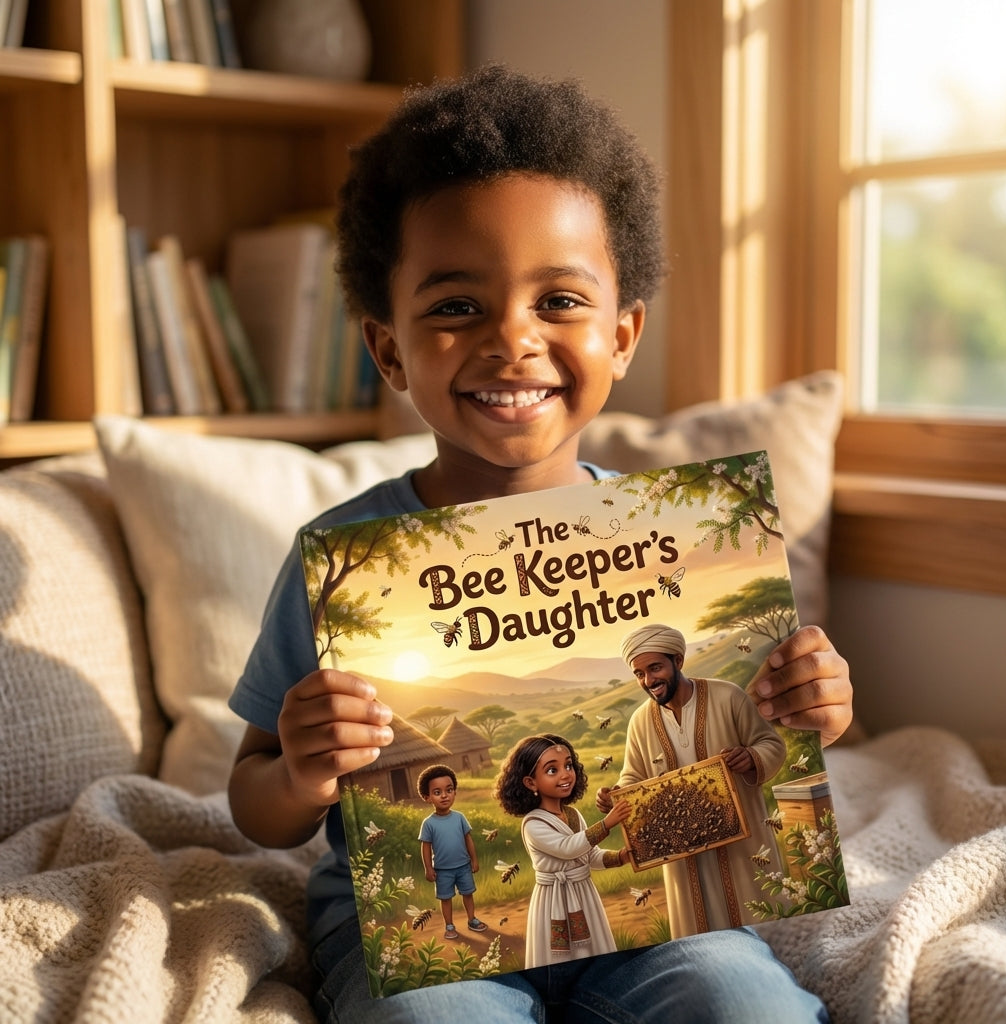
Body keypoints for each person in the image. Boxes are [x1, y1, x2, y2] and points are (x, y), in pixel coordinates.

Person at [227, 63, 852, 1023]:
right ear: (388, 347)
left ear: (624, 334)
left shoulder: (676, 545)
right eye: (454, 306)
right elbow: (254, 797)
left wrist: (817, 705)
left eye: (558, 301)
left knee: (743, 1003)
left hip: (664, 918)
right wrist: (303, 771)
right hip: (425, 935)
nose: (512, 339)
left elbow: (771, 737)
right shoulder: (345, 552)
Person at [596, 624, 788, 937]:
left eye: (655, 668)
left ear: (678, 661)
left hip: (743, 844)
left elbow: (771, 744)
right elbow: (633, 776)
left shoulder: (728, 696)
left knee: (762, 919)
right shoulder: (640, 721)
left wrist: (750, 757)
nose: (649, 681)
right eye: (640, 673)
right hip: (682, 856)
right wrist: (617, 794)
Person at [493, 734, 631, 968]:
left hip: (584, 894)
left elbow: (589, 855)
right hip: (553, 899)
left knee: (594, 954)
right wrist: (607, 823)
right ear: (530, 783)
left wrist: (620, 857)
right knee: (560, 961)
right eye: (552, 770)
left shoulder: (574, 815)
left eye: (568, 765)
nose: (566, 774)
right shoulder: (533, 823)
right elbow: (567, 848)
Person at [415, 764, 488, 939]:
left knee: (468, 894)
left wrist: (474, 860)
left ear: (455, 792)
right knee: (445, 898)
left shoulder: (459, 817)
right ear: (427, 797)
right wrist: (428, 868)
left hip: (463, 866)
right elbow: (426, 847)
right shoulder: (429, 823)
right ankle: (449, 926)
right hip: (442, 870)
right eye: (437, 792)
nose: (444, 796)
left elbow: (467, 839)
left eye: (449, 790)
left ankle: (472, 919)